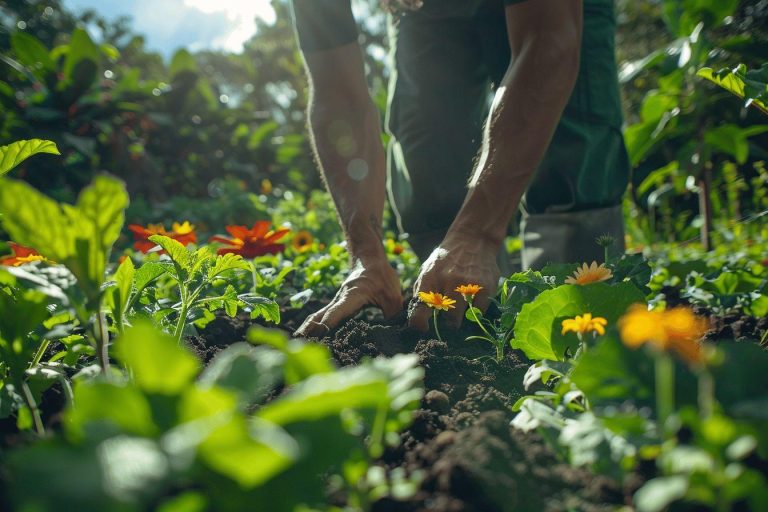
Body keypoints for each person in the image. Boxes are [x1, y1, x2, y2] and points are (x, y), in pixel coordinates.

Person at [291, 0, 630, 337]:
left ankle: (579, 326)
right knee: (428, 158)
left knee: (570, 150)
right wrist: (365, 254)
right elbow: (338, 97)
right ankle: (464, 326)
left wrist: (478, 235)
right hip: (427, 13)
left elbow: (547, 44)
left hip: (553, 10)